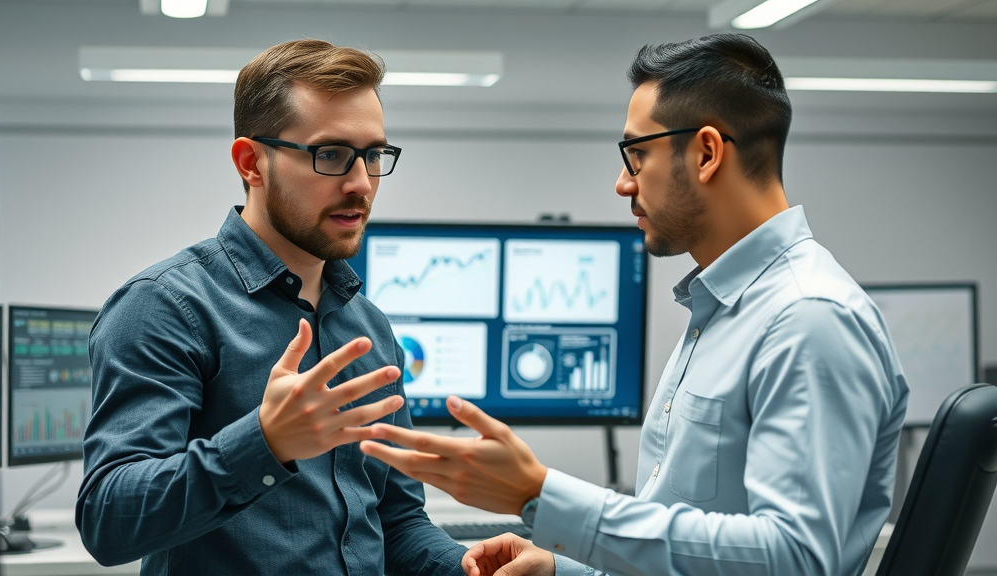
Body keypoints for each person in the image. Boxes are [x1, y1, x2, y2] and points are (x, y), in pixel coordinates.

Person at [360, 33, 909, 576]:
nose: (623, 184)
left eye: (636, 154)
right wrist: (557, 569)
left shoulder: (808, 317)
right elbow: (685, 550)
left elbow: (798, 560)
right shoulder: (719, 311)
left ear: (707, 153)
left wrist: (539, 493)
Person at [76, 39, 467, 576]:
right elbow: (108, 520)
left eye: (373, 155)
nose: (360, 183)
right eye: (330, 155)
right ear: (251, 162)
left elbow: (396, 520)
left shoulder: (367, 325)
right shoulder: (163, 306)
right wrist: (265, 442)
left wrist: (465, 566)